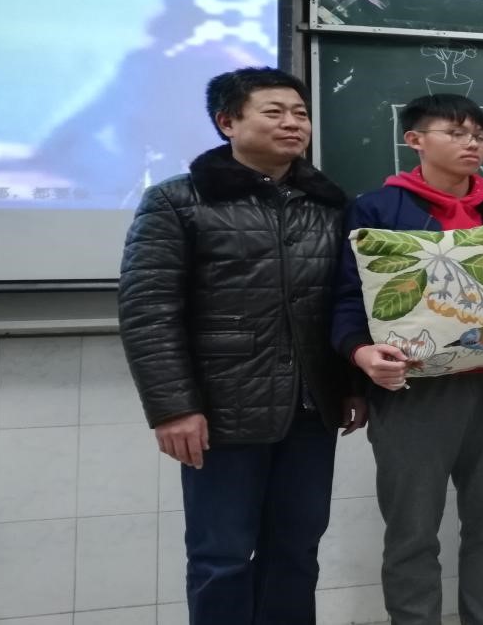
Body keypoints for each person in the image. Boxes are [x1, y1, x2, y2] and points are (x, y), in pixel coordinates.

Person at [118, 66, 366, 625]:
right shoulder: (176, 201)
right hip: (222, 408)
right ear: (227, 122)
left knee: (296, 551)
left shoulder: (328, 203)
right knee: (222, 557)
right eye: (274, 112)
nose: (293, 123)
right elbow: (148, 311)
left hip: (311, 407)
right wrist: (173, 407)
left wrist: (350, 385)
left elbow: (346, 301)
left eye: (300, 113)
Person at [331, 94, 483, 625]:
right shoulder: (377, 209)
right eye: (456, 132)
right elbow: (347, 298)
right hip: (412, 391)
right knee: (412, 531)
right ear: (415, 140)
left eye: (480, 135)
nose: (473, 144)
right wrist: (360, 353)